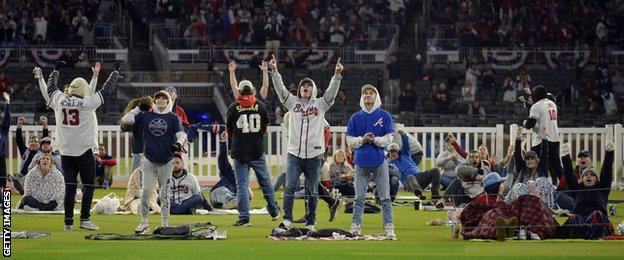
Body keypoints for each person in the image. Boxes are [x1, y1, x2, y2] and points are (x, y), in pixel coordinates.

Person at [33, 62, 122, 231]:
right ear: (84, 90)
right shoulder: (88, 103)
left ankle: (68, 223)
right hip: (84, 152)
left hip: (66, 152)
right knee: (88, 187)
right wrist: (115, 73)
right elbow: (106, 90)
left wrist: (56, 71)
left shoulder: (59, 99)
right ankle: (85, 220)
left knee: (70, 189)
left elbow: (50, 87)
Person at [269, 54, 343, 231]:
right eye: (303, 85)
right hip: (294, 154)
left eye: (309, 85)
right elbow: (281, 90)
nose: (305, 87)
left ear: (314, 90)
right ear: (300, 90)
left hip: (314, 156)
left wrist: (337, 76)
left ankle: (311, 222)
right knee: (290, 187)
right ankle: (287, 219)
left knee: (312, 191)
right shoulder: (292, 103)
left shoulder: (320, 105)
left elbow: (332, 93)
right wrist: (274, 72)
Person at [121, 90, 187, 234]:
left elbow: (181, 134)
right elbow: (126, 120)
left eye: (164, 98)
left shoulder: (173, 118)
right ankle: (144, 222)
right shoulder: (146, 115)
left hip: (166, 160)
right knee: (145, 192)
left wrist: (179, 143)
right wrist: (139, 108)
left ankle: (164, 224)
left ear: (168, 101)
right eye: (158, 98)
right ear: (155, 101)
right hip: (149, 159)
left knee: (164, 194)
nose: (161, 100)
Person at [225, 79, 279, 227]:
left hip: (239, 150)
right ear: (253, 90)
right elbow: (264, 127)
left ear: (240, 91)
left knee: (242, 185)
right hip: (256, 149)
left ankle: (243, 218)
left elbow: (229, 129)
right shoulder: (260, 106)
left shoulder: (234, 107)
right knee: (265, 181)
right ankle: (274, 211)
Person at [346, 84, 396, 239]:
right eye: (365, 93)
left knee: (385, 197)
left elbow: (389, 138)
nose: (368, 95)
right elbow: (349, 140)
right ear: (362, 97)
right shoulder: (355, 117)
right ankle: (355, 227)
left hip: (379, 160)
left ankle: (389, 228)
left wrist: (374, 140)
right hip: (360, 161)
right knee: (359, 197)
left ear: (376, 97)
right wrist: (363, 139)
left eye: (371, 93)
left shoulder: (385, 115)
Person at [558, 142, 615, 239]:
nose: (588, 175)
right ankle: (585, 232)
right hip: (580, 220)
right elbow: (569, 175)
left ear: (596, 179)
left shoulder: (602, 188)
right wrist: (565, 155)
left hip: (597, 219)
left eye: (592, 174)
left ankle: (588, 233)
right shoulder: (577, 189)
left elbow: (607, 172)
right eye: (586, 175)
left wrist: (609, 153)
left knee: (597, 214)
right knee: (574, 218)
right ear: (582, 179)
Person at [524, 85, 562, 185]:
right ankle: (567, 187)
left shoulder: (536, 106)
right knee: (557, 167)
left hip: (541, 141)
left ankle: (541, 190)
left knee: (540, 167)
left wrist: (525, 123)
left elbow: (530, 124)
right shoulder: (552, 104)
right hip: (554, 139)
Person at [388, 130, 441, 200]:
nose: (392, 153)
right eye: (391, 152)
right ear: (388, 153)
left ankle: (435, 195)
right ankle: (419, 193)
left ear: (398, 151)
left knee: (436, 170)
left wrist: (403, 135)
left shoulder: (405, 155)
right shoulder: (390, 164)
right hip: (407, 183)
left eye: (394, 151)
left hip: (419, 177)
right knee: (410, 177)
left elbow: (406, 144)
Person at [11, 116, 49, 194]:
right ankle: (6, 204)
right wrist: (19, 125)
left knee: (23, 181)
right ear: (28, 143)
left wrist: (45, 125)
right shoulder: (25, 151)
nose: (33, 143)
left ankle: (20, 186)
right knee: (7, 189)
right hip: (22, 176)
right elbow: (19, 140)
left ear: (39, 144)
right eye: (31, 141)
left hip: (35, 178)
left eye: (35, 141)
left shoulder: (42, 153)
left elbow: (45, 138)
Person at [120, 96, 152, 172]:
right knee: (136, 173)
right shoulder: (138, 117)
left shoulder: (151, 115)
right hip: (140, 148)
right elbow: (124, 127)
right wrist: (138, 110)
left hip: (148, 149)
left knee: (146, 172)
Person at [209, 130, 238, 209]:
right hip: (217, 194)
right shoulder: (229, 173)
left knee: (242, 196)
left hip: (232, 198)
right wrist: (223, 142)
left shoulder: (243, 182)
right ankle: (230, 201)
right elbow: (222, 160)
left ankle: (230, 203)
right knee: (224, 191)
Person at [0, 92, 10, 193]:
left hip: (1, 159)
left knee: (4, 185)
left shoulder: (3, 130)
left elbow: (7, 119)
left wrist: (7, 103)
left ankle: (6, 208)